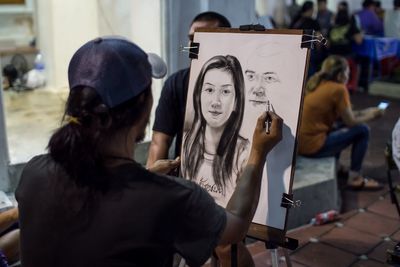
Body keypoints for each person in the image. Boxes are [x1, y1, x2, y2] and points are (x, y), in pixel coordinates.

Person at [15, 36, 283, 267]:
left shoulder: (35, 172)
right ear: (145, 106)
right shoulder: (169, 197)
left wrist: (144, 176)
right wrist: (258, 152)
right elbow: (235, 228)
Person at [147, 12, 231, 169]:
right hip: (187, 181)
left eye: (203, 38)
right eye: (191, 38)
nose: (194, 45)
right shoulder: (176, 83)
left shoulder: (244, 83)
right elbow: (159, 142)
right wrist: (151, 184)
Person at [298, 55, 384, 190]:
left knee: (339, 125)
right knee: (363, 130)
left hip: (301, 146)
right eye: (348, 71)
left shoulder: (318, 83)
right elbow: (351, 121)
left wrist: (367, 111)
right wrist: (372, 116)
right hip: (313, 148)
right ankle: (355, 178)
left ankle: (338, 167)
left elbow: (346, 116)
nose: (349, 75)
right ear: (340, 75)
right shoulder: (338, 89)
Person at [182, 55, 249, 206]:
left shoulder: (244, 153)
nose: (215, 102)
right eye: (209, 89)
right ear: (198, 95)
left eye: (225, 92)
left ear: (236, 102)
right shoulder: (188, 143)